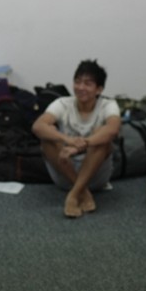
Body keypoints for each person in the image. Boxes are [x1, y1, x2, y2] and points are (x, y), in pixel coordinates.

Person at [32, 60, 121, 218]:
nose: (81, 87)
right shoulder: (62, 103)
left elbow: (113, 130)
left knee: (102, 136)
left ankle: (73, 195)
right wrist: (67, 139)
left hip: (95, 176)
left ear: (99, 89)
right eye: (77, 82)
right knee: (48, 136)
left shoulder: (108, 105)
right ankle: (83, 192)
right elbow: (38, 126)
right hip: (65, 173)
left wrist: (82, 144)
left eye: (88, 84)